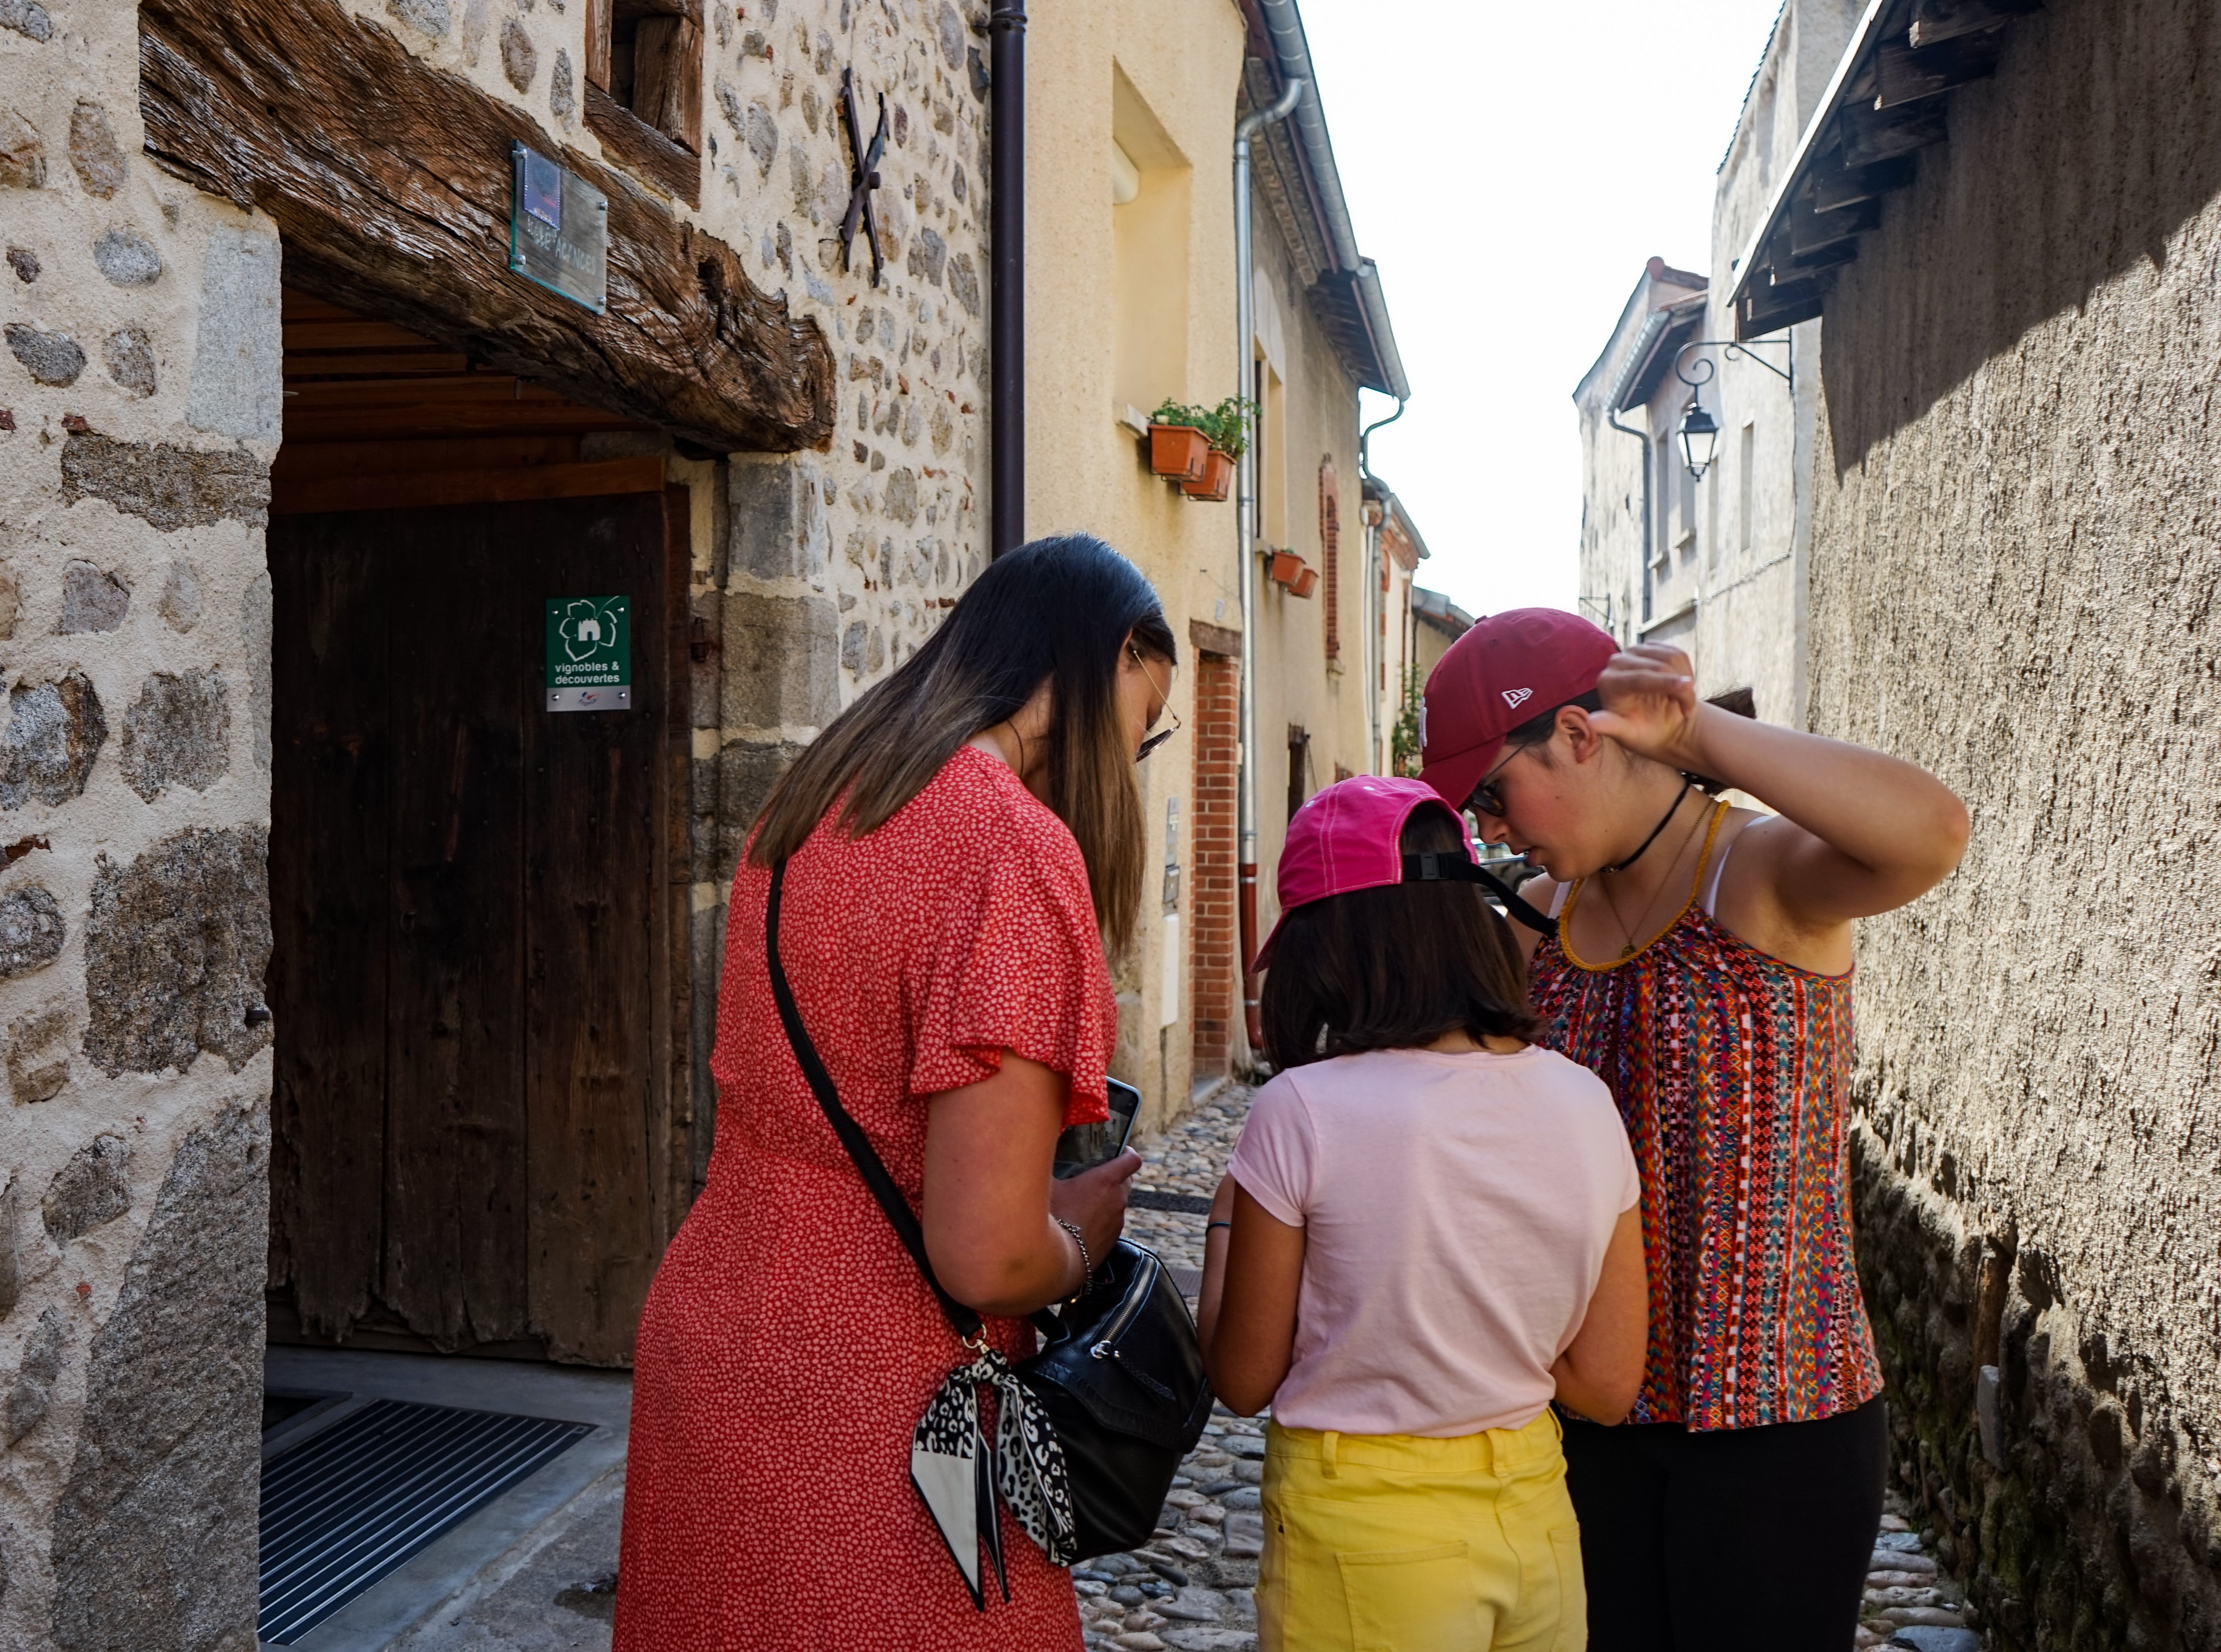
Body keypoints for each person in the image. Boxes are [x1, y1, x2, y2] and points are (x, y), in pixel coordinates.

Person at [614, 535, 1173, 1650]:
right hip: (880, 1387)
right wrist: (1077, 1238)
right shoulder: (1010, 848)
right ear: (1112, 654)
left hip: (719, 1328)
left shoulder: (812, 804)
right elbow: (986, 1259)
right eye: (1144, 722)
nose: (1132, 755)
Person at [1415, 610, 1971, 1652]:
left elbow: (1932, 831)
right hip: (1592, 1417)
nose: (1490, 827)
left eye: (1493, 792)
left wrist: (1696, 732)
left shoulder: (1755, 873)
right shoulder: (1537, 918)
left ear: (1577, 737)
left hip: (1780, 1417)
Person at [1195, 776, 1647, 1652]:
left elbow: (1242, 1378)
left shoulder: (1302, 1110)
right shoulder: (1585, 1102)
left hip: (1366, 1530)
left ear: (1330, 948)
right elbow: (1605, 1385)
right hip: (1533, 1517)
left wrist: (1224, 1225)